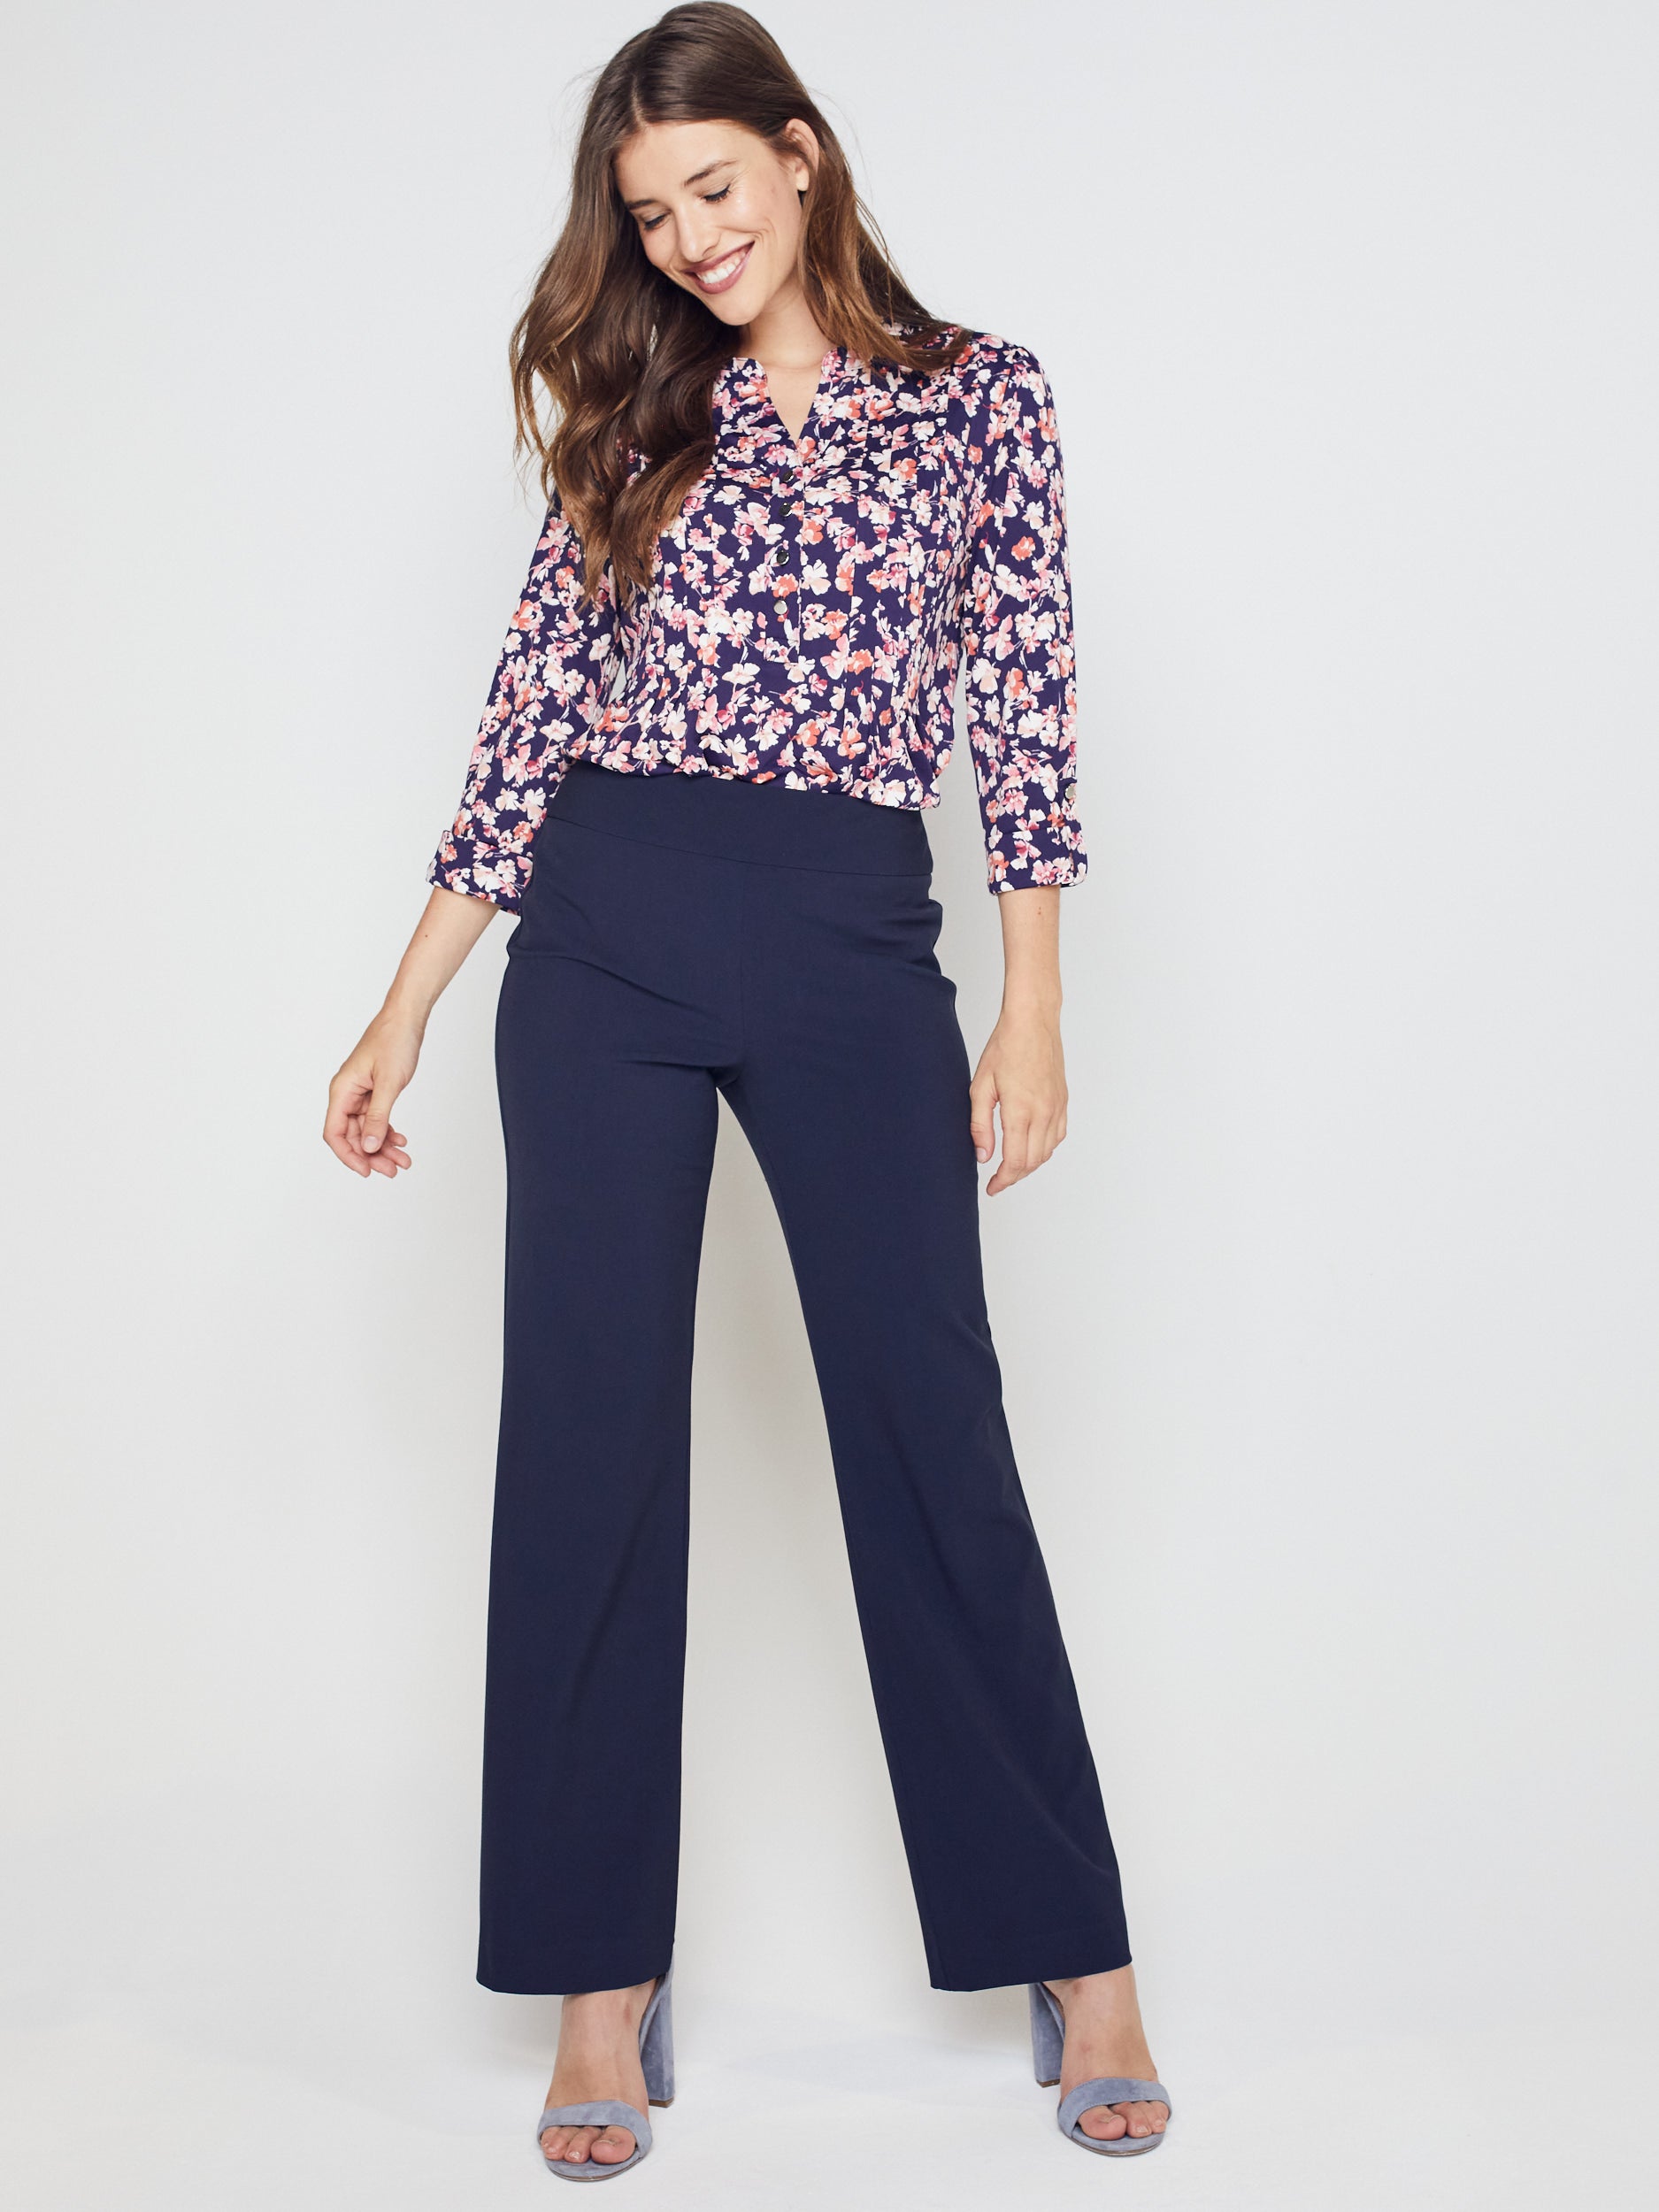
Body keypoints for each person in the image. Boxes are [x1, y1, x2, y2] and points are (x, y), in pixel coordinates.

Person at [324, 0, 1171, 2178]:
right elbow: (529, 713)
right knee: (585, 1443)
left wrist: (1032, 1000)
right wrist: (405, 1001)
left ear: (798, 152)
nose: (689, 237)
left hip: (843, 937)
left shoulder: (976, 396)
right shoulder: (635, 414)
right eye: (648, 213)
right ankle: (597, 1984)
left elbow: (1025, 705)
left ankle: (1073, 1948)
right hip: (599, 933)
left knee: (926, 1420)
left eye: (711, 186)